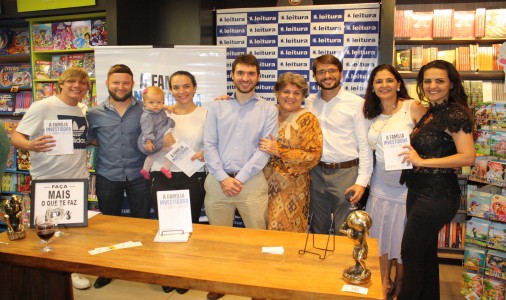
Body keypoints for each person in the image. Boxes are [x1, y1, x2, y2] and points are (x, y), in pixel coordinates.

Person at [87, 64, 174, 289]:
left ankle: (144, 267)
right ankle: (109, 269)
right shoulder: (94, 113)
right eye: (116, 82)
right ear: (107, 83)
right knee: (109, 226)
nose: (121, 86)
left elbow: (171, 120)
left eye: (125, 82)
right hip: (107, 175)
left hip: (139, 174)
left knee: (142, 224)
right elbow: (91, 139)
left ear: (133, 84)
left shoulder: (146, 110)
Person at [399, 60, 475, 299]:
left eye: (439, 81)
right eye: (427, 81)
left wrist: (422, 161)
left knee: (410, 253)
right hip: (419, 191)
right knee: (425, 253)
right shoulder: (432, 112)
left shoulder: (454, 113)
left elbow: (468, 156)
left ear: (451, 83)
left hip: (437, 195)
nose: (432, 86)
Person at [203, 54, 277, 300]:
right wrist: (224, 177)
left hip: (252, 182)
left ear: (258, 77)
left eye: (251, 74)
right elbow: (209, 144)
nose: (246, 78)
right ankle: (220, 283)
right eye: (241, 73)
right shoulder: (217, 106)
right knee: (219, 239)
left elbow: (265, 149)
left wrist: (240, 178)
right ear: (232, 76)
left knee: (257, 237)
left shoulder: (268, 108)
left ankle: (257, 285)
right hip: (217, 182)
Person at [10, 67, 92, 290]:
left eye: (82, 82)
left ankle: (73, 270)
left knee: (73, 229)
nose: (77, 86)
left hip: (77, 179)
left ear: (87, 87)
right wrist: (29, 145)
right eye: (72, 81)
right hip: (47, 178)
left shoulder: (83, 109)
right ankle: (46, 275)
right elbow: (16, 137)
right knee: (48, 229)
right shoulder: (42, 106)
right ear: (61, 84)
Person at [362, 64, 426, 299]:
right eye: (378, 81)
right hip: (379, 184)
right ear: (373, 87)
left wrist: (419, 157)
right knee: (379, 234)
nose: (384, 85)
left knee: (401, 239)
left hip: (406, 187)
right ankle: (382, 282)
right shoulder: (370, 113)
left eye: (389, 80)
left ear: (398, 83)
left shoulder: (413, 107)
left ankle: (401, 283)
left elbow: (432, 138)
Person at [149, 71, 207, 295]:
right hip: (161, 174)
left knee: (188, 225)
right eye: (176, 87)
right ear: (170, 90)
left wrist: (204, 154)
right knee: (165, 226)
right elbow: (142, 144)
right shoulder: (158, 113)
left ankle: (183, 274)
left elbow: (212, 144)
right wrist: (156, 142)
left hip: (192, 174)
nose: (181, 91)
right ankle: (167, 272)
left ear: (194, 87)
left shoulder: (205, 114)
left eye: (186, 86)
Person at [305, 54, 373, 235]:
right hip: (316, 173)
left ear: (341, 74)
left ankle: (342, 264)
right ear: (315, 76)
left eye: (332, 71)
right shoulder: (309, 102)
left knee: (345, 230)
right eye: (321, 72)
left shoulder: (357, 104)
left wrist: (361, 182)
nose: (327, 75)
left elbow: (365, 146)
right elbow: (283, 110)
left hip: (347, 173)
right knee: (317, 230)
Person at [259, 72, 322, 232]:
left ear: (303, 96)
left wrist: (279, 151)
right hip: (259, 185)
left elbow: (313, 155)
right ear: (277, 93)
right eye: (286, 91)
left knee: (283, 235)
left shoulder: (307, 119)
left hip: (291, 190)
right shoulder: (266, 113)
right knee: (259, 232)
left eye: (296, 93)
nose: (290, 97)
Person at [138, 86, 175, 180]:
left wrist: (166, 107)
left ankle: (145, 170)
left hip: (157, 137)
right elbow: (146, 130)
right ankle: (165, 168)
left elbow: (162, 107)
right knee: (172, 152)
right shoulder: (147, 116)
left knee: (155, 154)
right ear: (145, 103)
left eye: (158, 102)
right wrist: (148, 142)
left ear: (163, 102)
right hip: (151, 139)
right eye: (151, 102)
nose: (155, 105)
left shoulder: (158, 110)